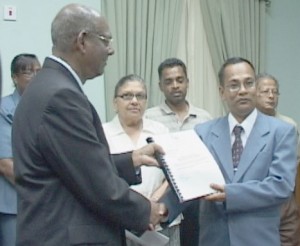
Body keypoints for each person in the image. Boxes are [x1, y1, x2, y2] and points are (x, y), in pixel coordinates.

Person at [11, 4, 167, 246]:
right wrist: (148, 210)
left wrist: (131, 159)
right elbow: (98, 184)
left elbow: (72, 165)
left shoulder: (47, 86)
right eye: (105, 40)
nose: (111, 50)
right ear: (82, 41)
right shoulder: (61, 97)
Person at [194, 57, 298, 246]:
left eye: (248, 83)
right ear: (222, 92)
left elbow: (281, 186)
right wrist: (161, 210)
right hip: (214, 239)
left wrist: (231, 194)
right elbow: (189, 181)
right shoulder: (203, 132)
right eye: (234, 85)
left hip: (259, 239)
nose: (242, 90)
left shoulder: (281, 132)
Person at [103, 74, 180, 245]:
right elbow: (102, 178)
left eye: (140, 96)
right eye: (127, 96)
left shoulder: (160, 131)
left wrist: (154, 201)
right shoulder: (102, 134)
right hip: (121, 225)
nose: (134, 101)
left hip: (162, 220)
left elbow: (174, 173)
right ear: (115, 103)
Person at [145, 57, 212, 246]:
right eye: (169, 81)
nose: (175, 86)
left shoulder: (204, 118)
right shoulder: (149, 118)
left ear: (187, 82)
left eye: (179, 80)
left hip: (198, 197)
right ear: (160, 86)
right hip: (165, 195)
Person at [0, 53, 41, 246]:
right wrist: (39, 191)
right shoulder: (4, 108)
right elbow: (5, 163)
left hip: (45, 203)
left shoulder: (45, 105)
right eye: (28, 72)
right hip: (14, 202)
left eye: (38, 72)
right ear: (14, 78)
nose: (35, 76)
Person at [256, 73, 300, 246]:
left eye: (275, 92)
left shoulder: (289, 125)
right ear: (254, 93)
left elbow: (295, 162)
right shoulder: (247, 124)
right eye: (265, 91)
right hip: (256, 196)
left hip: (283, 196)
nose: (271, 96)